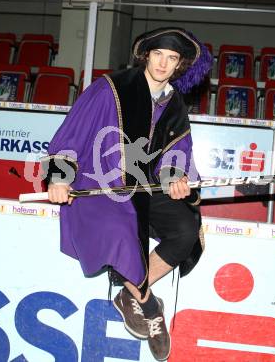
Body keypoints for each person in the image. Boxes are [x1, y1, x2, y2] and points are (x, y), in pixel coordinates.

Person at [42, 27, 212, 361]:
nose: (163, 64)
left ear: (179, 65)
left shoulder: (175, 103)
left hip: (145, 186)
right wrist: (59, 178)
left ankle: (128, 294)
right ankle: (150, 307)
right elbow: (72, 132)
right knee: (121, 231)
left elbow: (177, 153)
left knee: (186, 229)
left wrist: (176, 178)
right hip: (101, 184)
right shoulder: (110, 89)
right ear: (146, 55)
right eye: (158, 54)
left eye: (172, 58)